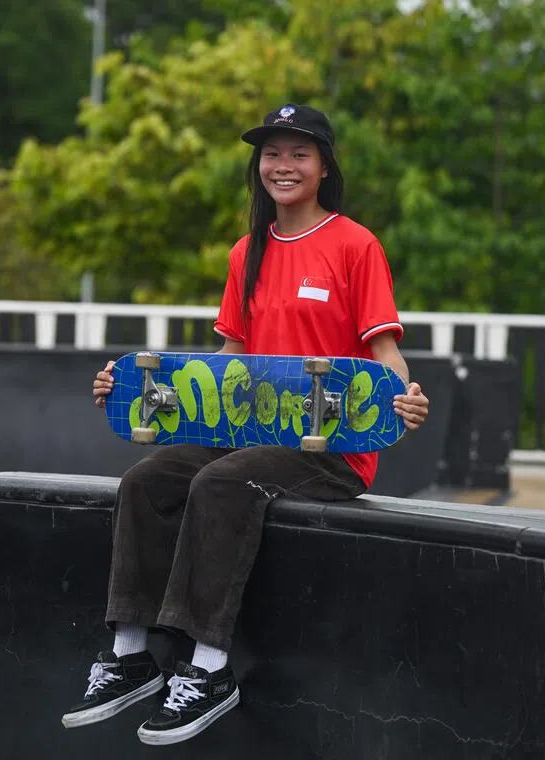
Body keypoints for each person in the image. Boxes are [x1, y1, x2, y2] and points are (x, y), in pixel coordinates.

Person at [61, 103, 430, 746]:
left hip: (328, 446)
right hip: (251, 433)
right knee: (146, 481)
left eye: (298, 154)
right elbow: (230, 366)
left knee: (223, 483)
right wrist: (131, 393)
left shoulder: (354, 245)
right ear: (257, 166)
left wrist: (404, 398)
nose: (282, 166)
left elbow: (384, 352)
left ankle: (208, 667)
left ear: (323, 168)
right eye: (271, 154)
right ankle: (128, 653)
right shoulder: (246, 254)